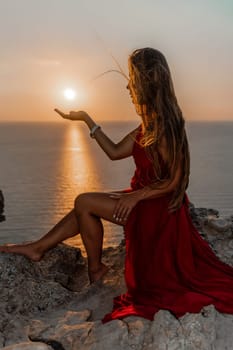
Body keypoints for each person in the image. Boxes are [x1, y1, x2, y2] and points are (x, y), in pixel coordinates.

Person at [1, 48, 233, 323]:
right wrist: (87, 119)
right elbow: (113, 152)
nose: (127, 86)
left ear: (147, 81)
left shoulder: (165, 126)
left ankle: (91, 267)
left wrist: (136, 198)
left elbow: (177, 180)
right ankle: (40, 248)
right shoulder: (147, 124)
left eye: (131, 79)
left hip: (158, 210)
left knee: (84, 202)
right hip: (143, 200)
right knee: (83, 208)